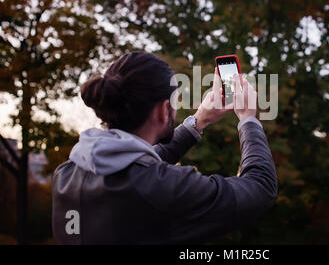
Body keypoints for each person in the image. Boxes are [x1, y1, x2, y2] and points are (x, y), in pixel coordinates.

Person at [52, 52, 278, 244]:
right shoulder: (164, 188)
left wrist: (198, 121)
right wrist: (248, 119)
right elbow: (261, 187)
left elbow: (138, 167)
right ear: (162, 111)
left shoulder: (65, 175)